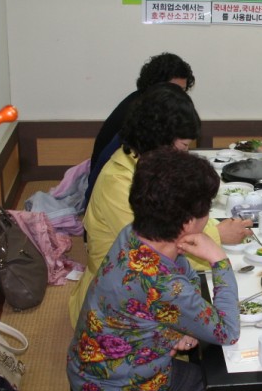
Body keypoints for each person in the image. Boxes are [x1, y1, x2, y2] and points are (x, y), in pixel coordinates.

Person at [67, 147, 241, 391]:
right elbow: (226, 330)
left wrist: (172, 330)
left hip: (111, 373)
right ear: (187, 223)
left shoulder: (133, 234)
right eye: (206, 209)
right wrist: (219, 259)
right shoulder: (162, 282)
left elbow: (167, 289)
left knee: (221, 390)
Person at [69, 82, 251, 325]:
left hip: (142, 283)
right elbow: (158, 250)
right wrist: (217, 236)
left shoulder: (146, 165)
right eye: (184, 147)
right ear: (160, 139)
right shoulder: (119, 182)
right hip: (114, 305)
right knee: (220, 314)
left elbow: (177, 218)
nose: (185, 154)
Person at [85, 52, 196, 208]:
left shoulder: (143, 105)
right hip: (111, 196)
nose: (179, 97)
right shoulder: (142, 118)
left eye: (182, 91)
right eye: (173, 90)